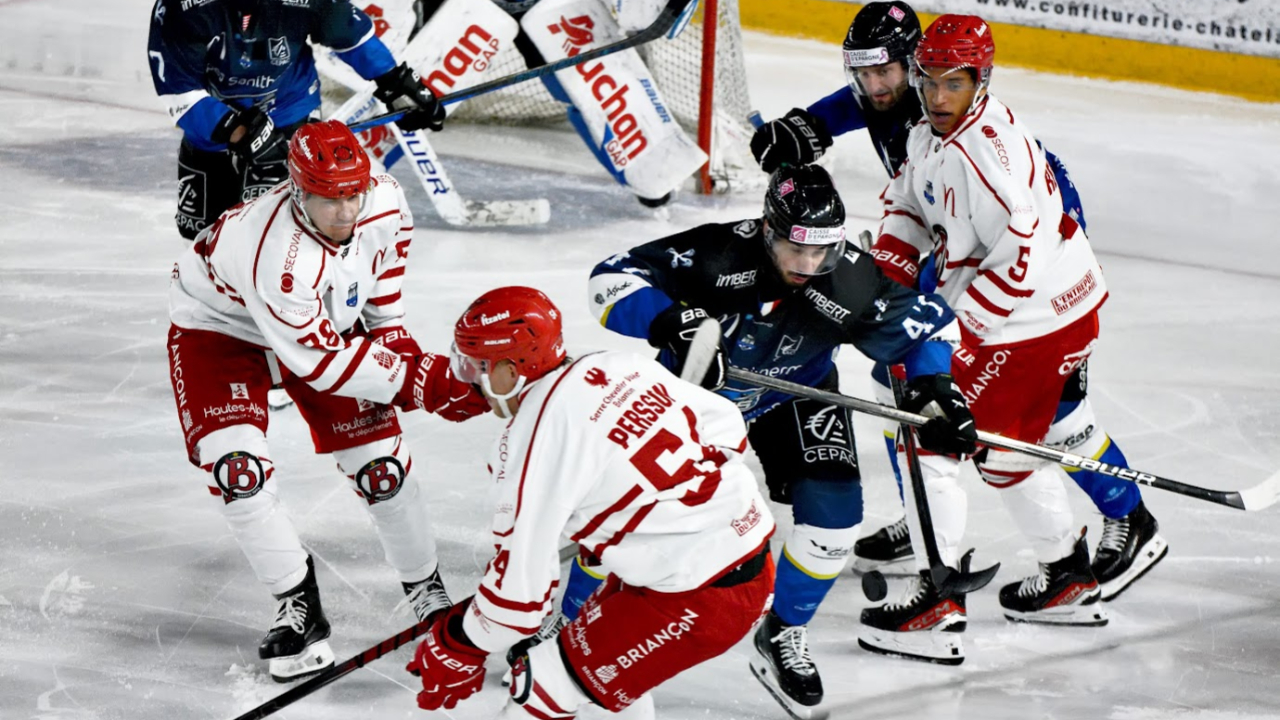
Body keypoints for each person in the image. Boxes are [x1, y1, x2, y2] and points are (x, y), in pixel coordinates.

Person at [750, 1, 1165, 602]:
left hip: (1035, 286)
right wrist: (810, 126)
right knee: (906, 378)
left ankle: (1125, 517)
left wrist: (971, 324)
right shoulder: (923, 111)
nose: (876, 87)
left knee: (1043, 406)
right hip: (970, 263)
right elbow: (897, 176)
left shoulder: (968, 129)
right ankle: (926, 520)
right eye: (865, 74)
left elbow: (1030, 233)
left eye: (888, 72)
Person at [584, 164, 976, 715]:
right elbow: (609, 278)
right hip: (697, 399)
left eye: (822, 253)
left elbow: (930, 326)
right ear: (768, 229)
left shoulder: (851, 281)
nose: (809, 265)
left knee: (835, 526)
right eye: (796, 250)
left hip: (799, 394)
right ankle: (575, 619)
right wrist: (672, 319)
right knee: (627, 513)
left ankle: (783, 631)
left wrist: (935, 388)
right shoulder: (718, 253)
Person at [165, 120, 490, 683]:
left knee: (383, 469)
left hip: (324, 324)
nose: (345, 211)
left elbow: (383, 305)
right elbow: (320, 363)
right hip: (219, 330)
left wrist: (408, 362)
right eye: (328, 199)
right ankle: (298, 604)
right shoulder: (278, 257)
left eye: (352, 195)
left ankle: (426, 588)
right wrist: (424, 384)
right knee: (237, 474)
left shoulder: (385, 202)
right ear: (297, 191)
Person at [856, 13, 1131, 665]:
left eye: (954, 84)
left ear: (981, 81)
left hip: (1036, 315)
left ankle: (937, 599)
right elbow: (908, 208)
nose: (939, 97)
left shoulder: (988, 156)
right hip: (1042, 310)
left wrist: (944, 341)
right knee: (1005, 452)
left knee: (924, 423)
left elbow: (1019, 259)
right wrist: (885, 277)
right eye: (929, 82)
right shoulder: (930, 133)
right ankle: (1066, 576)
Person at [403, 286, 777, 719]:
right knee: (597, 670)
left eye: (478, 366)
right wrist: (641, 505)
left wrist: (458, 643)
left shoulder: (530, 445)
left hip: (699, 595)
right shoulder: (621, 365)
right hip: (741, 554)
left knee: (542, 687)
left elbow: (518, 603)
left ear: (511, 368)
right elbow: (729, 430)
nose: (472, 379)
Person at [147, 0, 446, 242]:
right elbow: (179, 91)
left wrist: (395, 81)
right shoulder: (183, 7)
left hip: (287, 109)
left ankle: (301, 306)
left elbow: (349, 34)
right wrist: (240, 131)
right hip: (212, 124)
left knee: (283, 232)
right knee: (202, 233)